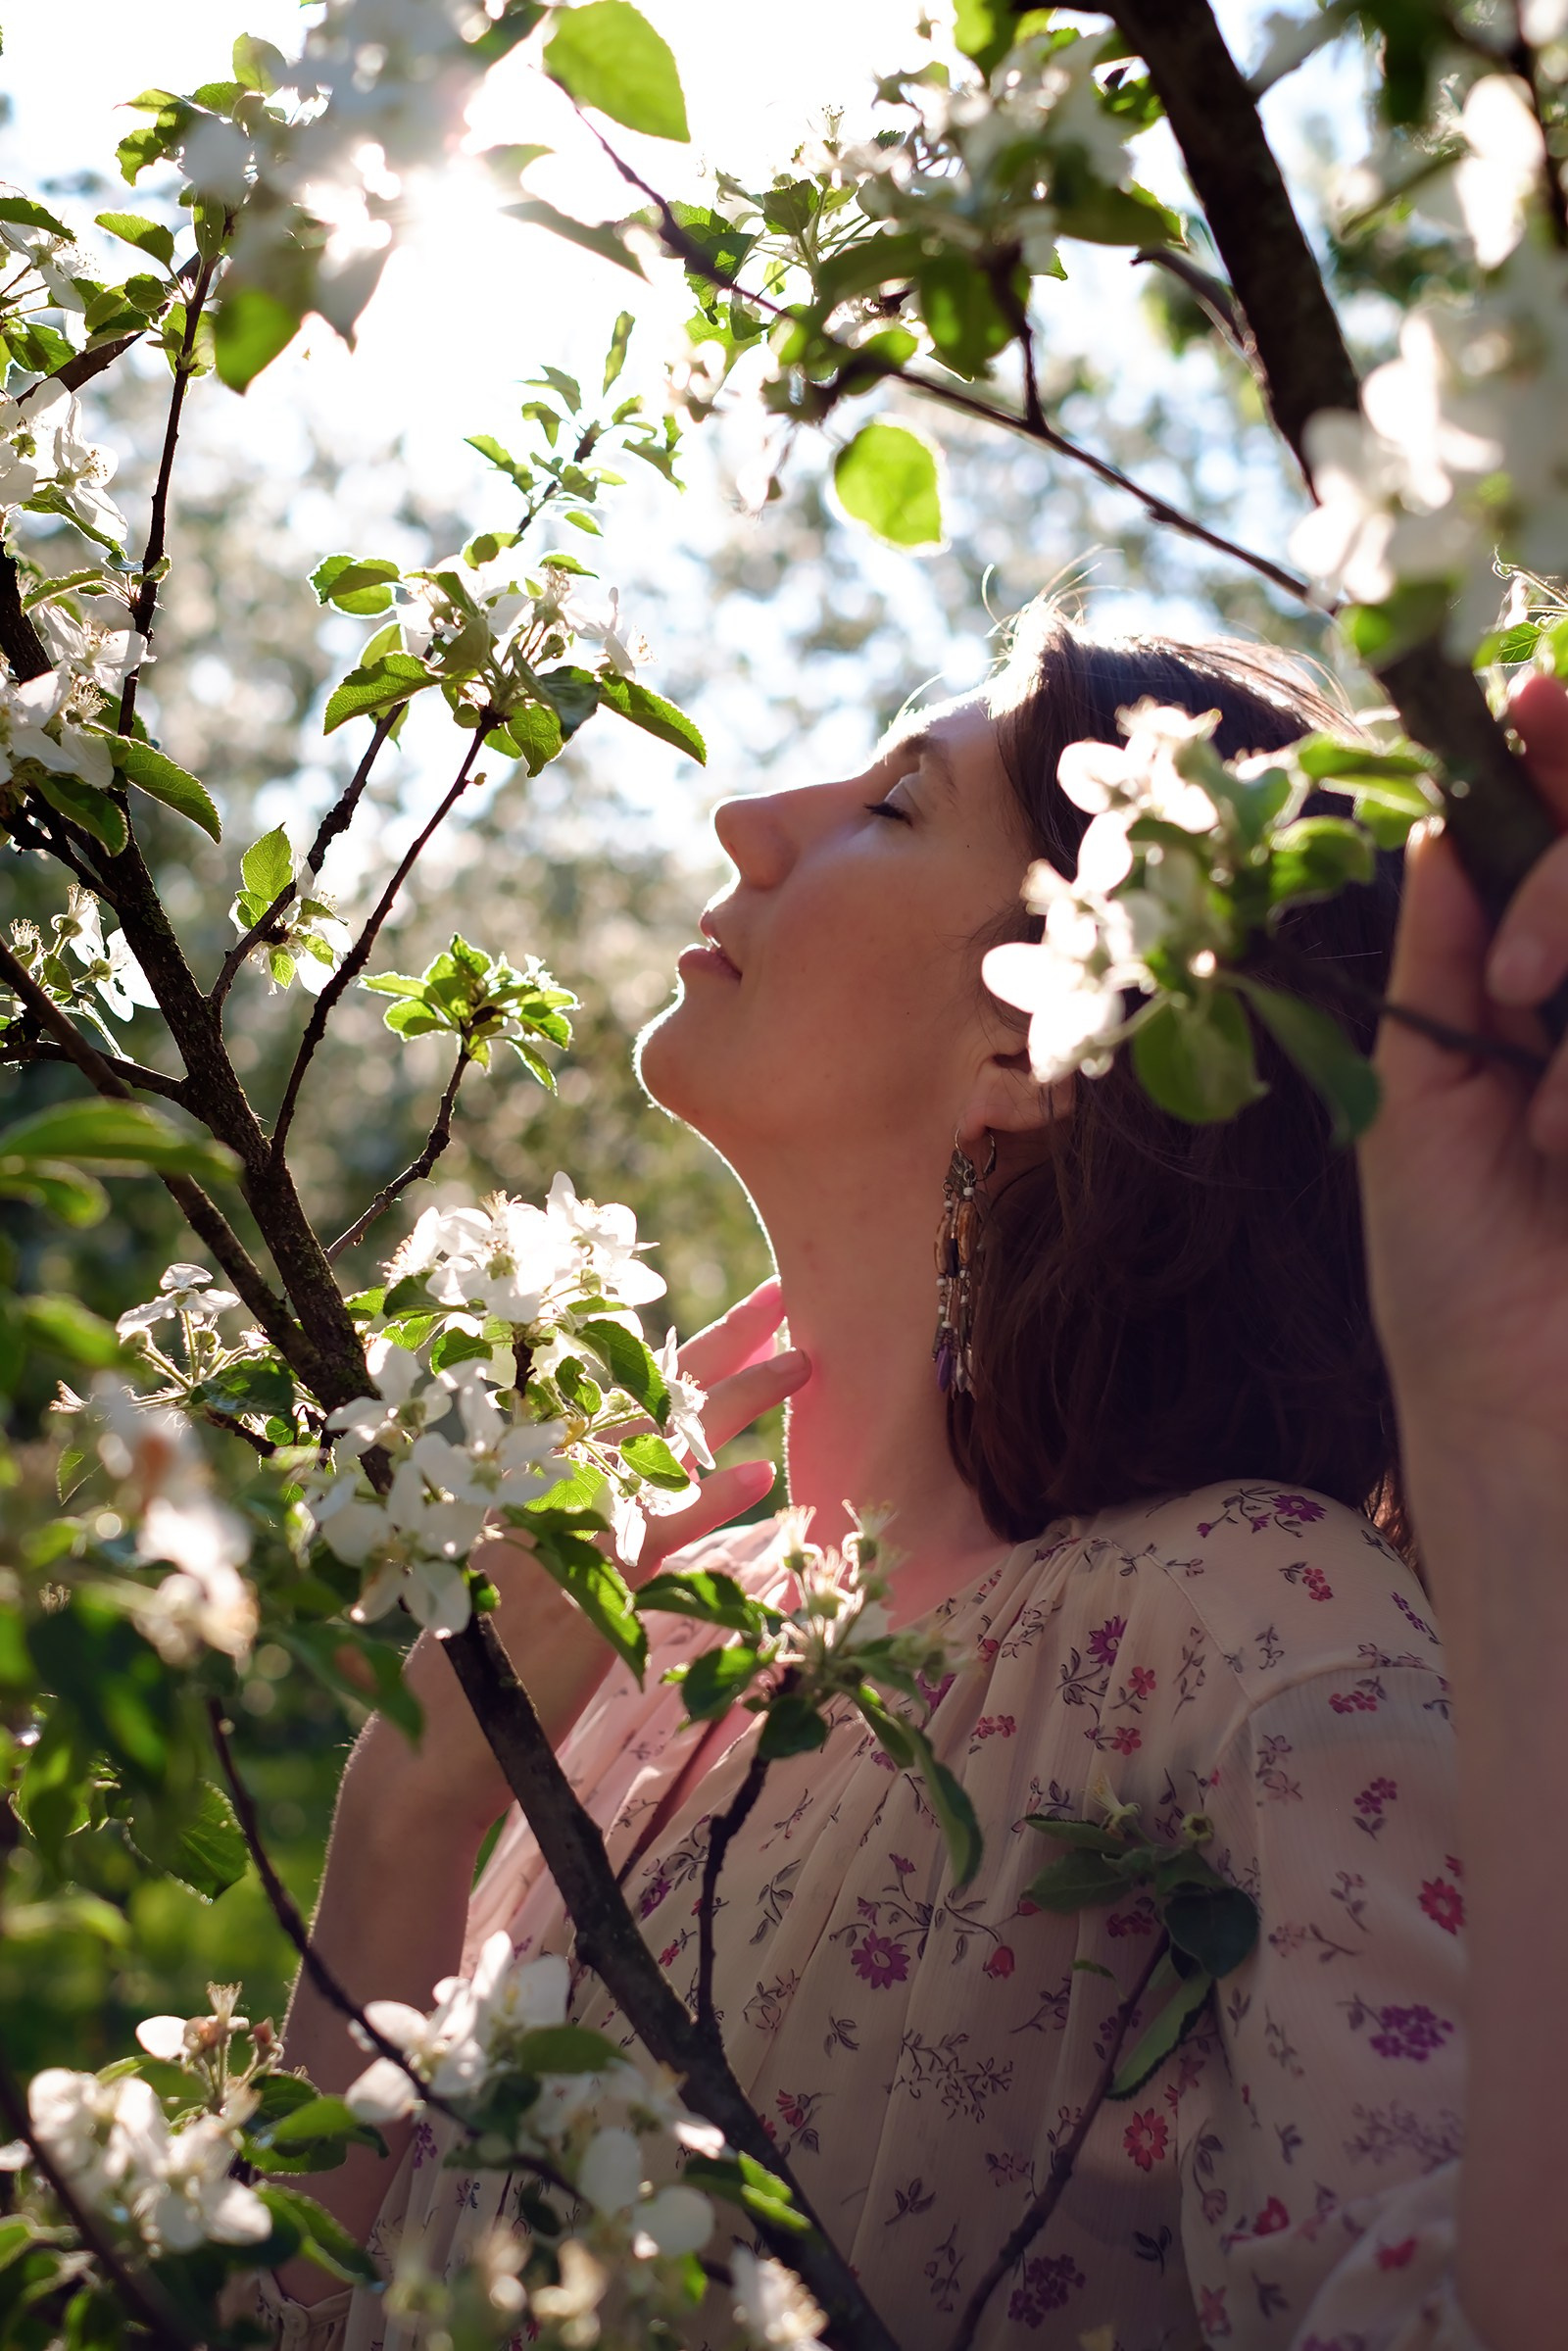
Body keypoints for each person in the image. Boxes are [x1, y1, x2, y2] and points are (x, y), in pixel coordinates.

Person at [270, 610, 1559, 2351]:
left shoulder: (1242, 1632)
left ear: (1039, 1034)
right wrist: (409, 1816)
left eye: (891, 806)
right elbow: (279, 2315)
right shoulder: (658, 1644)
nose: (748, 820)